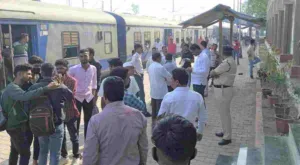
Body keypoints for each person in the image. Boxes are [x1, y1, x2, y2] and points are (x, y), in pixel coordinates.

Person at [0, 64, 58, 165]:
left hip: (16, 125)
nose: (31, 76)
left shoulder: (16, 87)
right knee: (25, 154)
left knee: (14, 151)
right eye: (28, 74)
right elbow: (26, 96)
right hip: (15, 127)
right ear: (19, 74)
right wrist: (46, 88)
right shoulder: (12, 88)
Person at [83, 76, 148, 165]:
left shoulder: (95, 121)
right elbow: (143, 148)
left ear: (105, 96)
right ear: (123, 93)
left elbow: (90, 155)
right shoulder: (138, 116)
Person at [27, 63, 74, 165]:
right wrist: (61, 83)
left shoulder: (34, 87)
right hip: (57, 122)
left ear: (41, 73)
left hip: (40, 123)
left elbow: (27, 103)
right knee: (55, 153)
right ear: (54, 72)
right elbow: (70, 97)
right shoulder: (59, 85)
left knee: (43, 151)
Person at [158, 68, 207, 141]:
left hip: (172, 135)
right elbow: (202, 117)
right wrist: (199, 132)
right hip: (190, 134)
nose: (170, 81)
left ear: (177, 82)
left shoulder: (168, 96)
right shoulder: (197, 96)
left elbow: (160, 117)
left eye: (172, 79)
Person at [55, 59, 81, 165]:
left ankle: (76, 155)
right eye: (57, 68)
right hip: (59, 113)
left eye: (61, 68)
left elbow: (69, 97)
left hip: (70, 112)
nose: (59, 70)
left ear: (66, 68)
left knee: (73, 136)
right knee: (62, 137)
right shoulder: (53, 80)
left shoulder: (72, 81)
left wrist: (60, 85)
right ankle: (64, 156)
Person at [210, 46, 237, 146]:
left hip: (223, 90)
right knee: (223, 113)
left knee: (225, 114)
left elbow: (212, 72)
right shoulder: (231, 61)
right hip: (223, 89)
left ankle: (227, 137)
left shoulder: (226, 63)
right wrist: (216, 74)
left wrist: (215, 74)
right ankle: (225, 131)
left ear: (223, 53)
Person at [69, 49, 97, 139]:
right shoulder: (73, 69)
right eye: (81, 56)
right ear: (79, 58)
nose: (84, 58)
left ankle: (87, 143)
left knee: (88, 122)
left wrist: (93, 97)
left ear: (89, 56)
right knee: (76, 122)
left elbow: (94, 84)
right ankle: (76, 145)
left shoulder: (93, 68)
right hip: (77, 98)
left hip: (88, 98)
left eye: (85, 56)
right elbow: (68, 83)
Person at [148, 53, 172, 126]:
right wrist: (166, 79)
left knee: (154, 109)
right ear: (158, 58)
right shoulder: (160, 67)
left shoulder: (150, 66)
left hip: (153, 89)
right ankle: (160, 125)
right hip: (161, 91)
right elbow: (169, 76)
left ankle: (153, 124)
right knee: (160, 109)